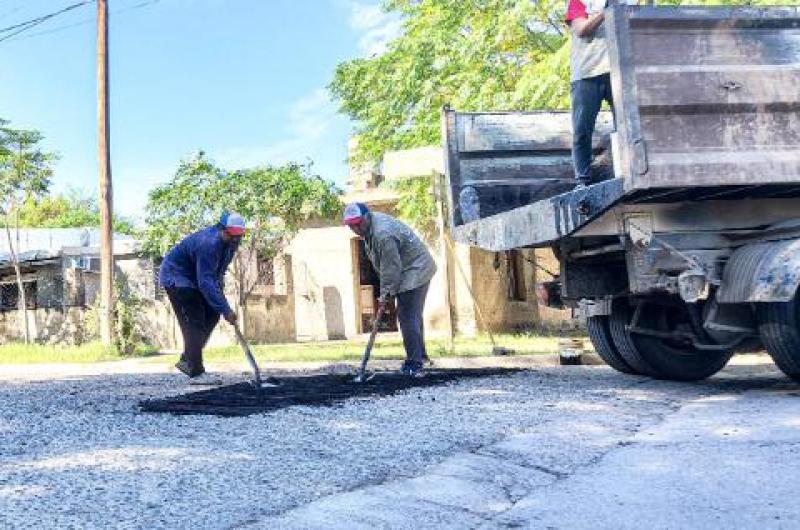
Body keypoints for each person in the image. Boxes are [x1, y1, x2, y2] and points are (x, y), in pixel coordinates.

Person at [342, 202, 437, 377]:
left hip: (416, 269)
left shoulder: (382, 234)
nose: (355, 228)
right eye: (351, 225)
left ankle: (414, 363)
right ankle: (421, 357)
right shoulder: (370, 229)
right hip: (407, 268)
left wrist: (385, 295)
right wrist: (387, 293)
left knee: (407, 315)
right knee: (412, 316)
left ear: (367, 217)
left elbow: (391, 268)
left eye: (357, 223)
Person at [159, 212, 246, 385]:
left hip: (195, 278)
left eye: (239, 235)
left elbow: (217, 275)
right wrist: (226, 309)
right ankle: (195, 370)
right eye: (232, 235)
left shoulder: (230, 245)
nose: (235, 239)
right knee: (194, 320)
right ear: (222, 229)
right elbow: (206, 281)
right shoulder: (209, 243)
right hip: (177, 277)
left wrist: (222, 306)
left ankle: (188, 358)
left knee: (213, 313)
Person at [567, 0, 613, 188]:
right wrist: (607, 11)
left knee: (627, 125)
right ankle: (582, 179)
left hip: (618, 71)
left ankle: (629, 169)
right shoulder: (579, 1)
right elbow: (581, 30)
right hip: (587, 73)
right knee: (582, 130)